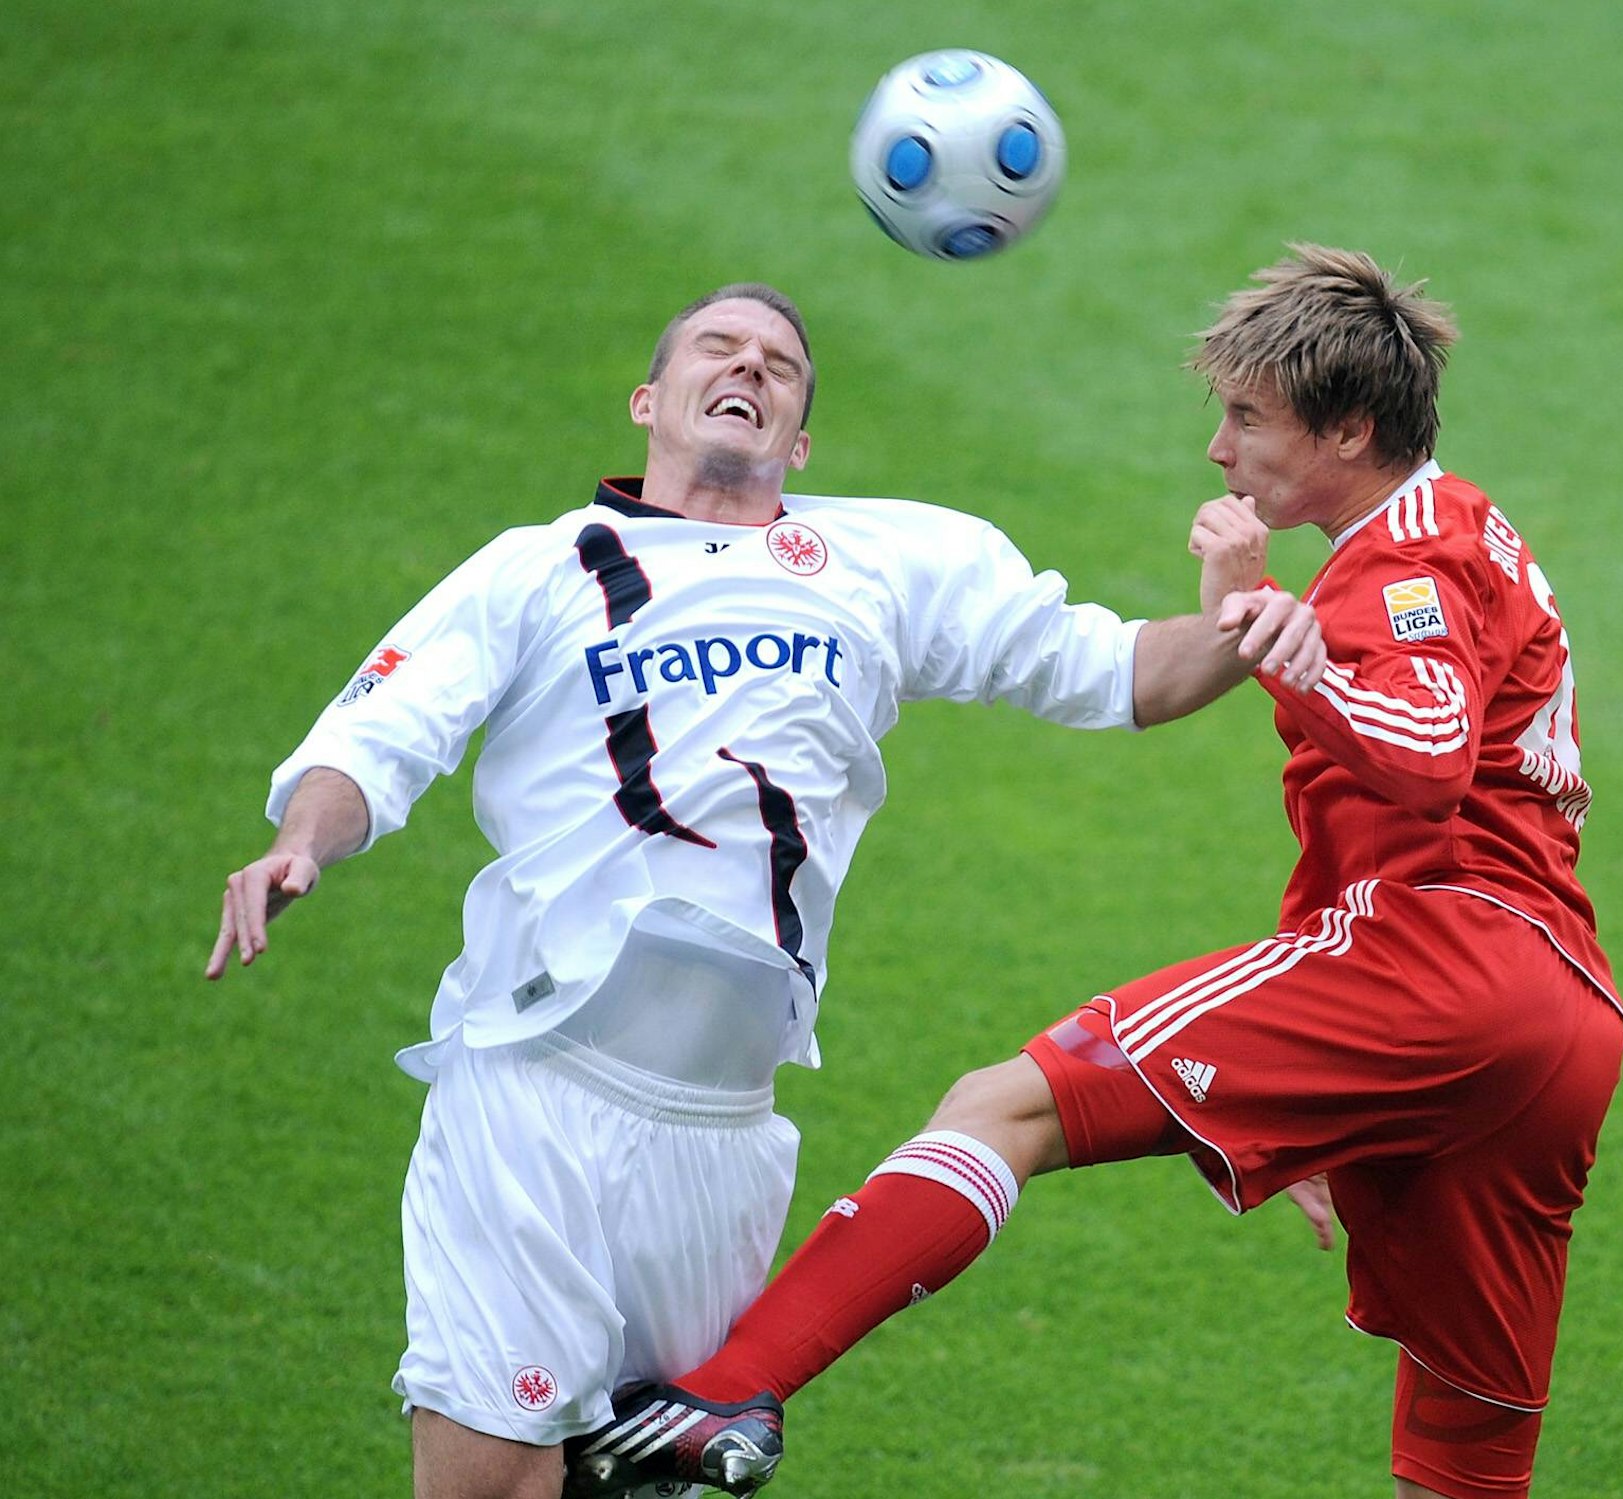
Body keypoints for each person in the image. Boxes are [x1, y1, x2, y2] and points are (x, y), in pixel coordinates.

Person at [203, 282, 1325, 1499]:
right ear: (648, 401)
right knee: (487, 1479)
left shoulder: (892, 559)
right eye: (715, 348)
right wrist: (303, 840)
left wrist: (1245, 614)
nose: (749, 364)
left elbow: (1120, 671)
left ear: (799, 441)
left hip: (723, 1133)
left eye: (780, 363)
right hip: (534, 1087)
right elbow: (382, 730)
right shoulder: (537, 571)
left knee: (636, 1485)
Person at [567, 248, 1623, 1499]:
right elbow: (1367, 831)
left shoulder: (1405, 553)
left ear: (1348, 428)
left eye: (1246, 418)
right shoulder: (1462, 529)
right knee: (1463, 1458)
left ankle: (724, 1393)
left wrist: (1296, 656)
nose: (1219, 452)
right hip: (1560, 1027)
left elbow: (1428, 762)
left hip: (1444, 961)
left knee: (1003, 1104)